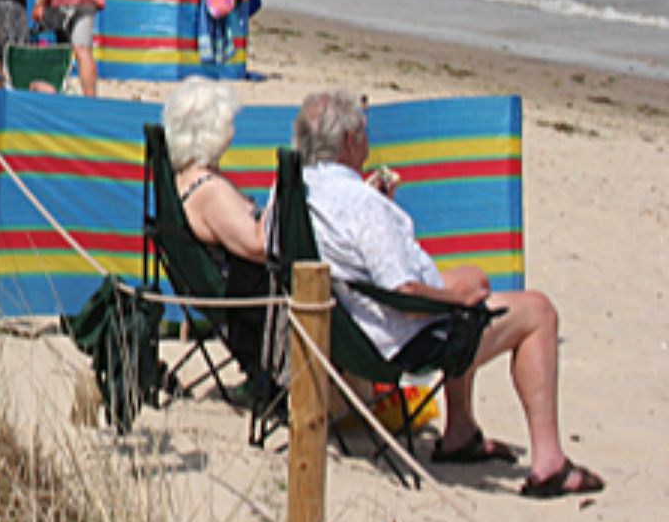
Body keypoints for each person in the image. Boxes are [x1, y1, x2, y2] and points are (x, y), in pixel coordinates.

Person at [293, 90, 605, 499]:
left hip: (348, 327)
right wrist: (459, 304)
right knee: (539, 313)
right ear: (351, 141)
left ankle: (461, 430)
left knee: (473, 278)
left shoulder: (294, 190)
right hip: (402, 340)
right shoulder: (363, 207)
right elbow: (401, 289)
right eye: (365, 134)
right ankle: (550, 463)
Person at [163, 79, 269, 376]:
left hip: (228, 296)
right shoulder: (210, 190)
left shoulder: (181, 179)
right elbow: (257, 245)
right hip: (251, 303)